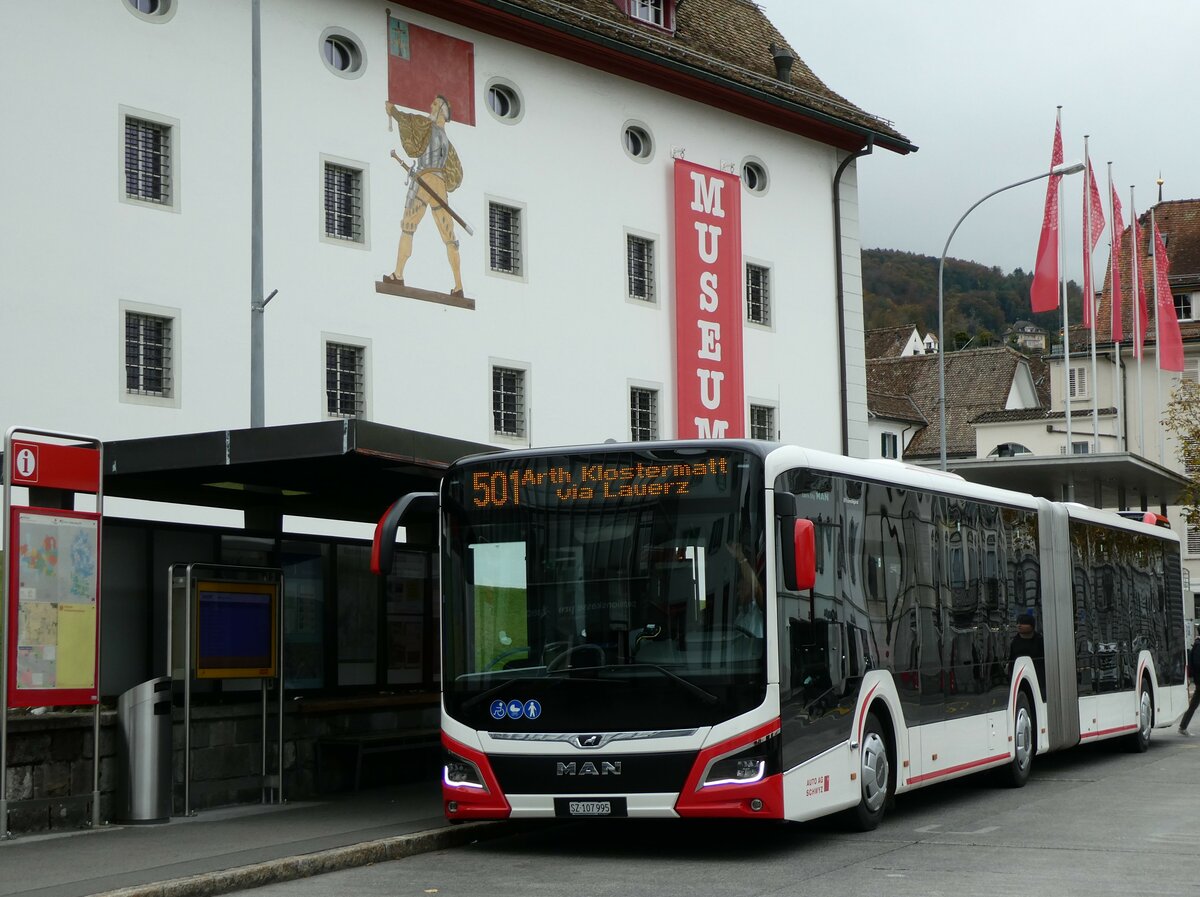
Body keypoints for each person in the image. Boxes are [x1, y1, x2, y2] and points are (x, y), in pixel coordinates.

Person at [384, 95, 465, 297]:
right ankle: (459, 286)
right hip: (439, 185)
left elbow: (407, 120)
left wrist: (393, 111)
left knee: (408, 227)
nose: (431, 105)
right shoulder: (449, 144)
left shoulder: (426, 127)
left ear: (443, 111)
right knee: (449, 236)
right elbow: (455, 174)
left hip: (423, 181)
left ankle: (398, 275)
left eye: (436, 104)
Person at [1008, 611, 1046, 699]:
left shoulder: (1040, 641)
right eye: (1018, 623)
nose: (1019, 625)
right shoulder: (1014, 642)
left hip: (1039, 677)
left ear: (1031, 626)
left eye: (1023, 623)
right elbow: (1011, 661)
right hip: (1019, 678)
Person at [1178, 634, 1200, 735]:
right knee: (1193, 704)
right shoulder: (1198, 646)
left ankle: (1183, 726)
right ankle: (1182, 727)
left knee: (1193, 704)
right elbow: (1197, 664)